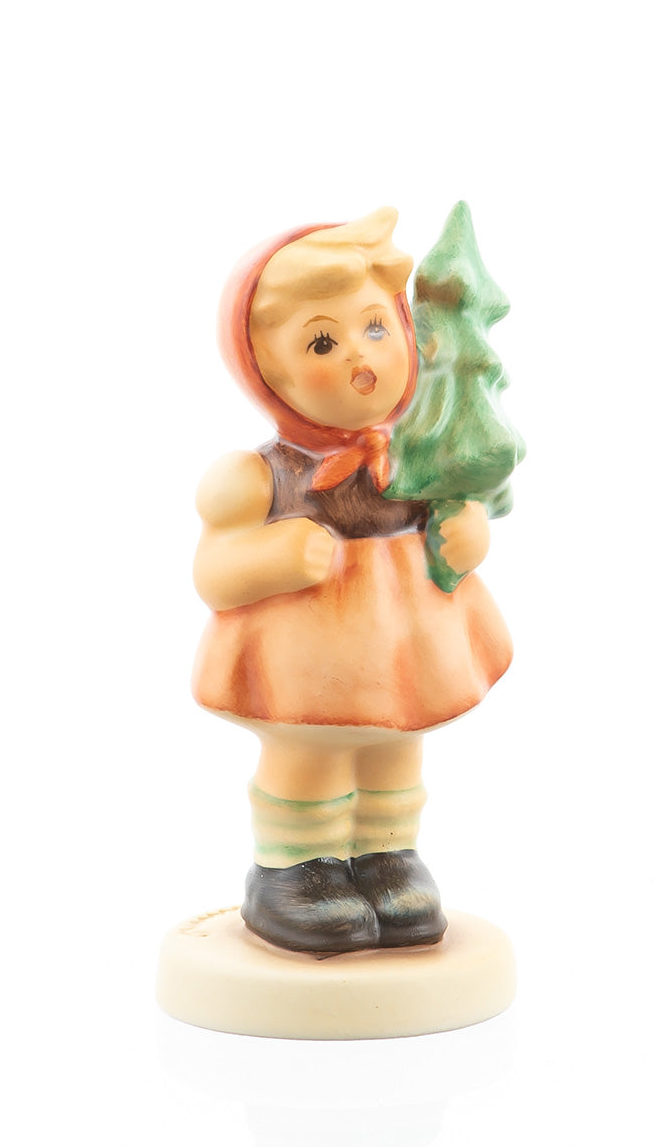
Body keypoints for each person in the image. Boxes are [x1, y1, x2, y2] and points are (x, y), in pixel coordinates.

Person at [191, 207, 512, 954]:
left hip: (405, 644)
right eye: (321, 343)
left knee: (395, 749)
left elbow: (456, 525)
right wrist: (273, 558)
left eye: (374, 326)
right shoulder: (255, 479)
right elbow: (213, 573)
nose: (359, 357)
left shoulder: (417, 458)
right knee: (311, 756)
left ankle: (387, 856)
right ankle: (296, 871)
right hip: (303, 665)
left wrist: (467, 536)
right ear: (265, 372)